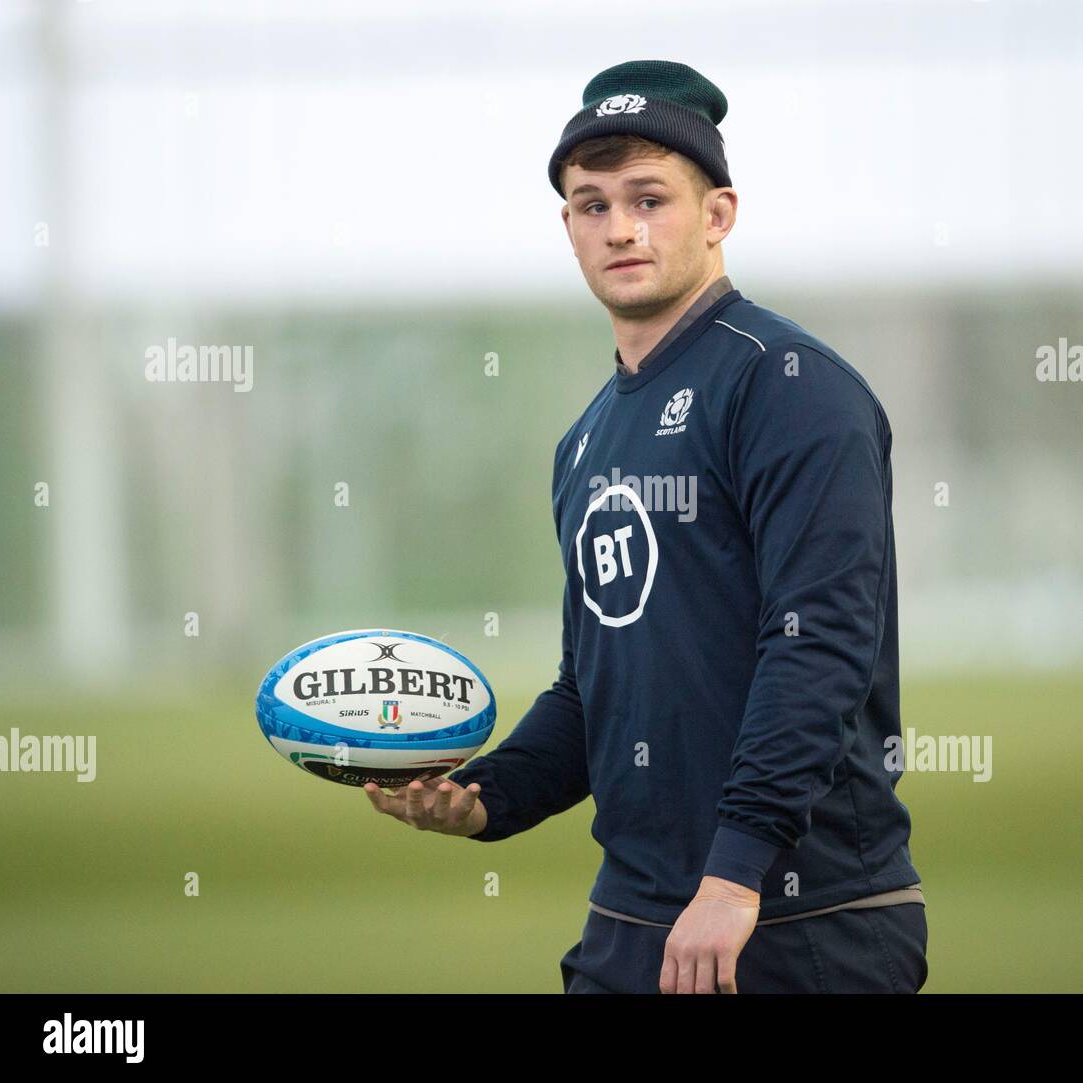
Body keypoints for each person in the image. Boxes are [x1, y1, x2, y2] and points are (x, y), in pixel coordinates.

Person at [365, 59, 927, 995]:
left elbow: (818, 645)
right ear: (568, 228)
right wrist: (483, 798)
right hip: (631, 925)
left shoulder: (788, 386)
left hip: (795, 923)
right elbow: (594, 692)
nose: (620, 227)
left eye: (649, 198)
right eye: (592, 205)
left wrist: (737, 870)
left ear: (718, 215)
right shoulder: (586, 439)